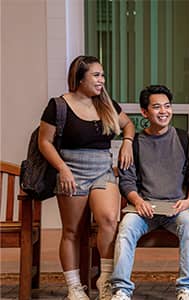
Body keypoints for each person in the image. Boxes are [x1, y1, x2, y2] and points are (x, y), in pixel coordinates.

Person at [38, 55, 135, 300]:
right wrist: (62, 168)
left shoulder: (106, 103)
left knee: (109, 220)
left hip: (102, 170)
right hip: (71, 172)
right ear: (79, 78)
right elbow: (44, 142)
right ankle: (74, 288)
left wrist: (127, 143)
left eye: (102, 75)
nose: (102, 80)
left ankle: (105, 280)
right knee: (72, 231)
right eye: (96, 75)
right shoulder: (58, 106)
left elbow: (129, 125)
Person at [110, 85, 189, 300]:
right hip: (143, 207)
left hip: (178, 207)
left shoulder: (186, 139)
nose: (164, 111)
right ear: (144, 112)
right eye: (157, 107)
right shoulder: (136, 144)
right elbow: (127, 180)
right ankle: (121, 290)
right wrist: (138, 201)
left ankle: (186, 289)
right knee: (126, 229)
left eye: (167, 106)